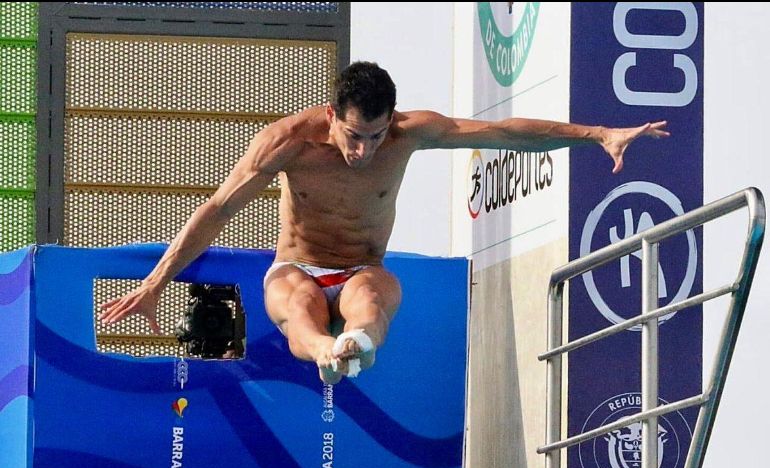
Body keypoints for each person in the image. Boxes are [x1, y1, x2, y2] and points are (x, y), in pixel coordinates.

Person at [99, 61, 669, 384]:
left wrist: (596, 133)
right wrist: (155, 284)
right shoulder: (288, 143)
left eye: (375, 136)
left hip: (360, 266)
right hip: (295, 265)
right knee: (299, 309)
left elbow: (506, 132)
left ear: (390, 120)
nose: (364, 151)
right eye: (352, 136)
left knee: (372, 298)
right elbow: (218, 209)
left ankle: (355, 346)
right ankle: (326, 352)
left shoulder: (409, 132)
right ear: (331, 117)